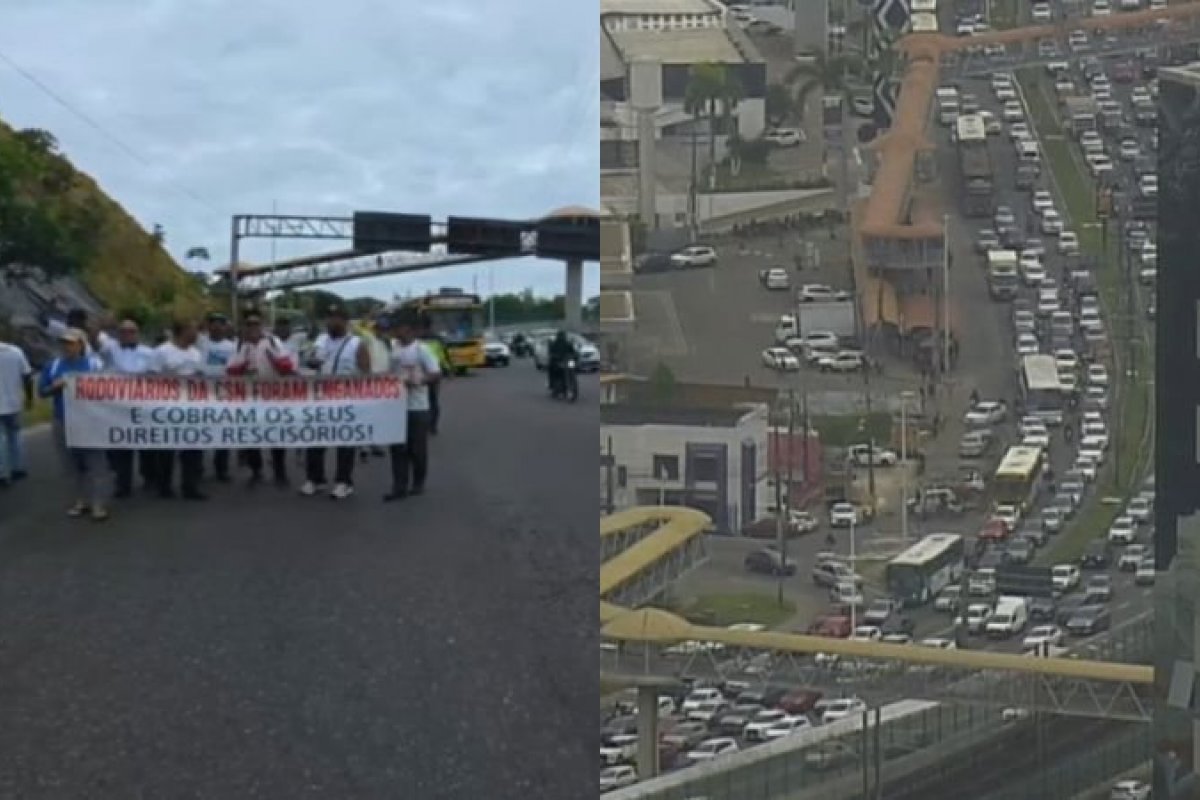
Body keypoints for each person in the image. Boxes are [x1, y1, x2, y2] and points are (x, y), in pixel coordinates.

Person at [38, 328, 109, 520]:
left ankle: (98, 504)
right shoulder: (53, 366)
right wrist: (55, 386)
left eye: (71, 343)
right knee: (71, 464)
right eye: (64, 343)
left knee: (95, 463)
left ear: (81, 344)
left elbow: (110, 390)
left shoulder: (95, 364)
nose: (67, 347)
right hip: (63, 419)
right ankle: (80, 500)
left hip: (90, 420)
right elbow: (42, 392)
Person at [301, 306, 371, 500]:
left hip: (346, 399)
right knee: (315, 439)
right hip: (321, 398)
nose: (330, 322)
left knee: (345, 443)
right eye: (328, 318)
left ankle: (344, 482)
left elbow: (366, 374)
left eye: (335, 319)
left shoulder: (357, 344)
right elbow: (309, 361)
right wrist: (312, 361)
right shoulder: (320, 340)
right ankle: (315, 479)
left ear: (344, 321)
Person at [227, 311, 296, 487]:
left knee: (276, 435)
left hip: (273, 395)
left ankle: (280, 473)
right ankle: (256, 470)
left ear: (262, 326)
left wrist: (273, 359)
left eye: (256, 324)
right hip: (250, 396)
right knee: (251, 435)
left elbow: (286, 366)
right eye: (249, 325)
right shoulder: (242, 345)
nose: (252, 328)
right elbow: (232, 369)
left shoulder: (272, 342)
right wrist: (243, 366)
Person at [384, 311, 441, 502]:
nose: (394, 331)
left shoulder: (421, 349)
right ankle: (399, 486)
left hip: (417, 407)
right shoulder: (393, 349)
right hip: (395, 406)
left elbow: (435, 373)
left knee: (417, 449)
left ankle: (418, 483)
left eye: (397, 328)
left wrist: (419, 380)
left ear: (407, 329)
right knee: (397, 449)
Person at [99, 319, 157, 498]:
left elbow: (156, 376)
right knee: (121, 446)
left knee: (146, 445)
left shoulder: (149, 352)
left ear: (137, 333)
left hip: (142, 404)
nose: (128, 335)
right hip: (119, 406)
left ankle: (150, 478)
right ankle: (123, 484)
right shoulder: (109, 350)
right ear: (118, 334)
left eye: (132, 331)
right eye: (123, 332)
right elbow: (95, 346)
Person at [152, 320, 207, 500]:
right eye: (193, 329)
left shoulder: (196, 354)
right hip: (167, 407)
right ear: (183, 330)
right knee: (166, 450)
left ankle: (190, 487)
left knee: (192, 449)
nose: (196, 334)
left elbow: (201, 378)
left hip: (191, 407)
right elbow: (151, 377)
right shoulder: (161, 351)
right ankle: (164, 487)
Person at [197, 313, 237, 482]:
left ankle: (221, 469)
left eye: (221, 324)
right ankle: (196, 467)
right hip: (201, 394)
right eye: (213, 323)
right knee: (200, 432)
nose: (217, 327)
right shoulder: (200, 342)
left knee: (223, 433)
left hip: (224, 394)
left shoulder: (232, 346)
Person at [0, 330, 34, 486]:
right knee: (15, 435)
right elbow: (27, 376)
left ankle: (2, 473)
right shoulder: (16, 351)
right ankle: (18, 468)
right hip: (14, 402)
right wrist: (29, 397)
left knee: (1, 439)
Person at [419, 316, 452, 435]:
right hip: (434, 373)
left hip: (422, 373)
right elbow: (444, 356)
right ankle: (432, 425)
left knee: (423, 400)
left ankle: (425, 424)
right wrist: (448, 370)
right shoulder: (438, 339)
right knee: (433, 400)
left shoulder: (416, 339)